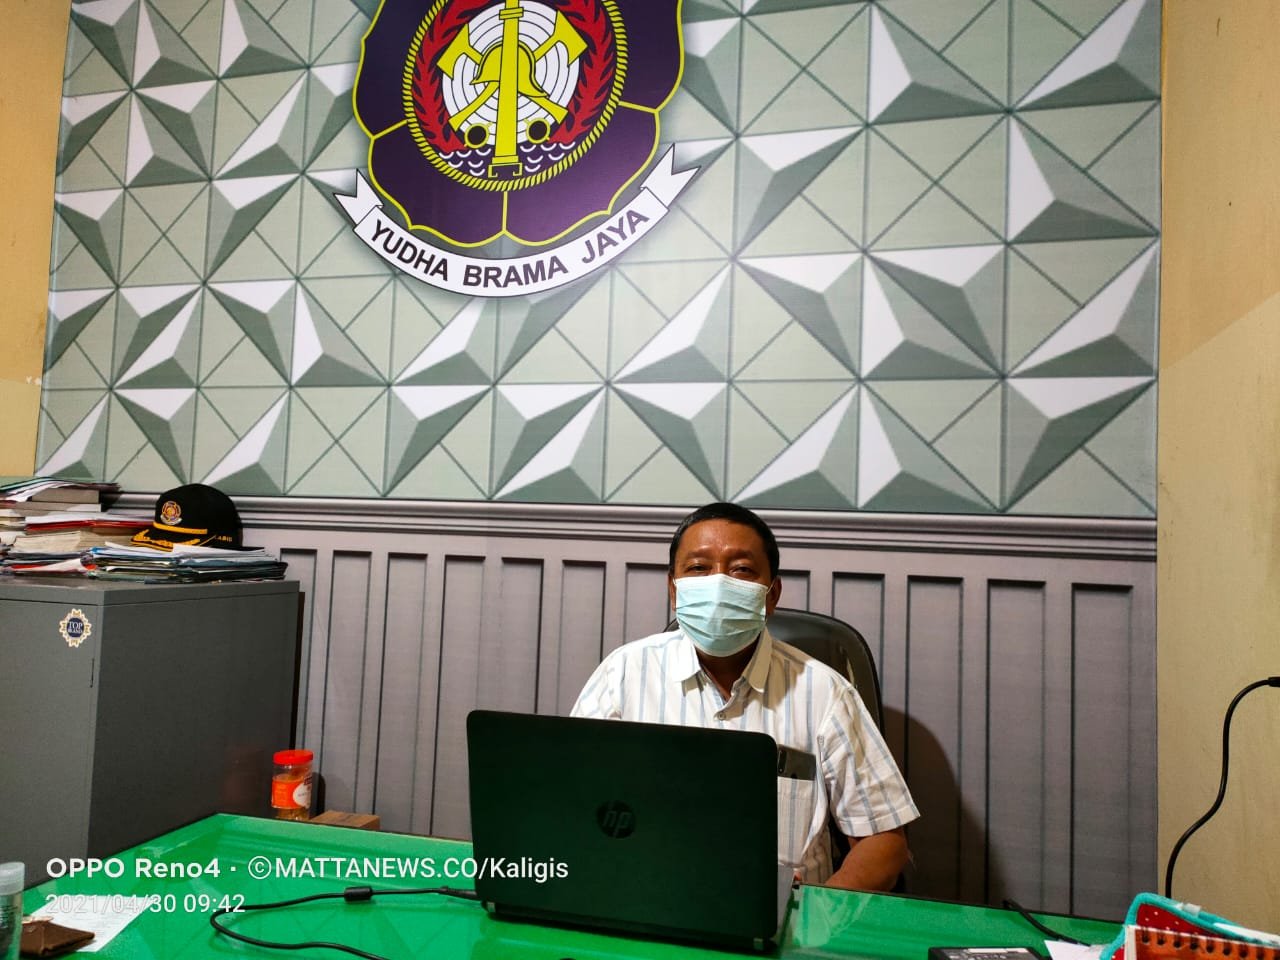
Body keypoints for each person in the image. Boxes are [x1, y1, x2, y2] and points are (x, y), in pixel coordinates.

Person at [571, 502, 918, 891]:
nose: (719, 583)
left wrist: (817, 918)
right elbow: (571, 802)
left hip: (786, 917)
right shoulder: (623, 675)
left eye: (741, 570)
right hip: (648, 899)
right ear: (673, 589)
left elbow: (884, 843)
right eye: (698, 568)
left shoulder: (825, 692)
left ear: (772, 594)